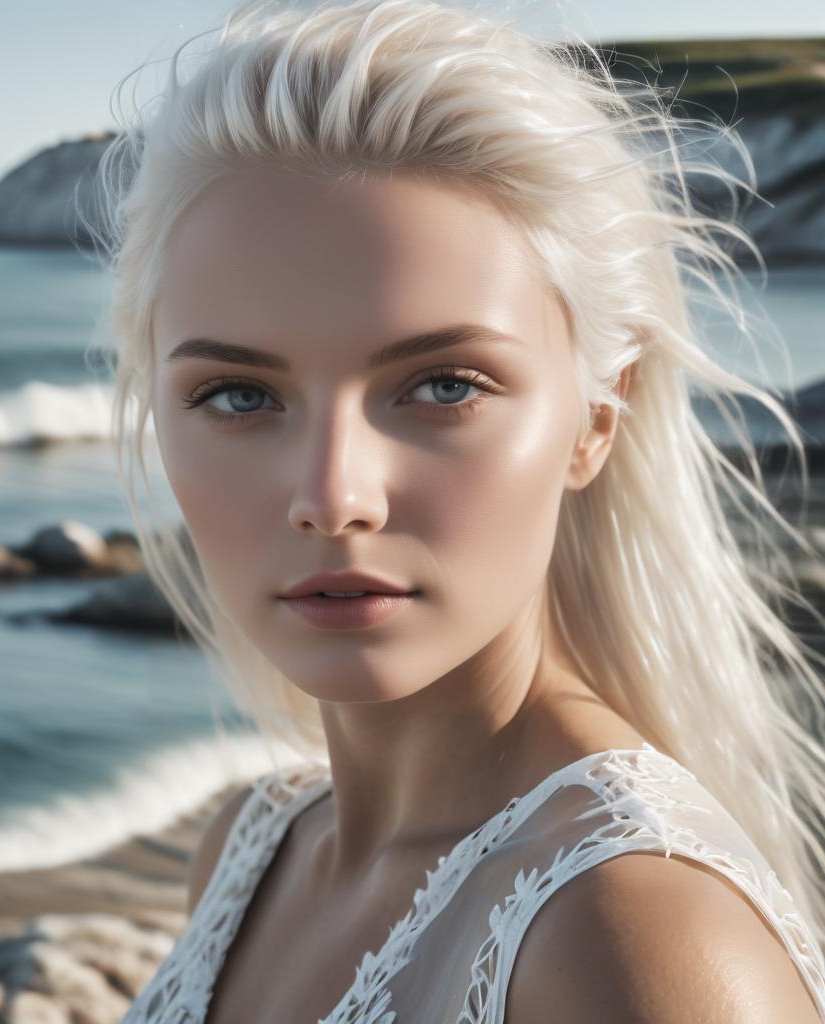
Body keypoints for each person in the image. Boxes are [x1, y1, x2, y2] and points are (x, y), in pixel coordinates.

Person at [85, 0, 825, 1019]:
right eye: (239, 396)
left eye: (443, 386)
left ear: (594, 419)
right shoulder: (251, 849)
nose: (332, 498)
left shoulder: (639, 939)